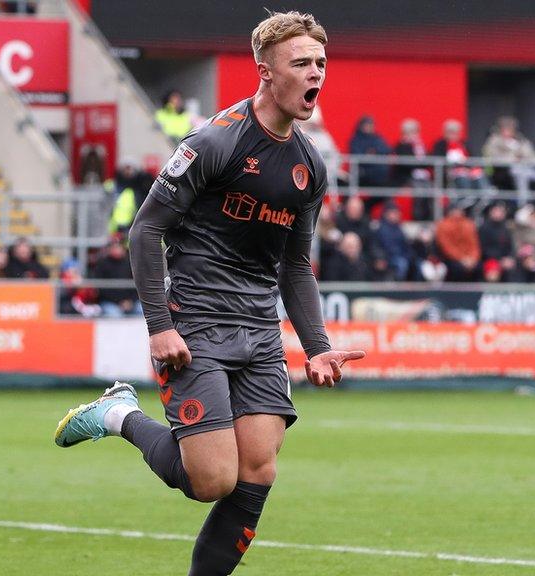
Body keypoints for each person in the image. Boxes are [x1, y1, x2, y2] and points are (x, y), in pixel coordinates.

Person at [53, 12, 364, 575]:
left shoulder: (310, 168)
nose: (316, 73)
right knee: (211, 480)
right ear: (266, 71)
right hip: (194, 321)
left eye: (320, 63)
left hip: (259, 333)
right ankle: (118, 413)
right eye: (302, 63)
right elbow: (145, 230)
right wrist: (159, 326)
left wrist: (316, 345)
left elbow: (295, 265)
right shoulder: (215, 142)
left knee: (258, 472)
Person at [482, 116, 535, 205]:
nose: (509, 130)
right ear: (500, 129)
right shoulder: (494, 141)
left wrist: (533, 162)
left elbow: (533, 156)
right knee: (520, 172)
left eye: (511, 128)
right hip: (506, 171)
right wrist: (513, 158)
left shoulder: (521, 140)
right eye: (506, 128)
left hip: (528, 167)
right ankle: (523, 202)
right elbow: (493, 157)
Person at [89, 237, 141, 317]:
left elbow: (139, 285)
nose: (116, 249)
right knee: (115, 314)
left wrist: (130, 301)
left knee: (140, 310)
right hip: (109, 302)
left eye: (118, 246)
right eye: (113, 246)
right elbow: (100, 288)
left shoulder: (131, 263)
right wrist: (119, 302)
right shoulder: (102, 264)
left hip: (130, 302)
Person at [435, 203, 481, 282]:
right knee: (457, 269)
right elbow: (447, 247)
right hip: (452, 259)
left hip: (469, 259)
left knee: (479, 267)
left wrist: (473, 258)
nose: (457, 213)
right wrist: (462, 259)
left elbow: (474, 245)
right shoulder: (443, 225)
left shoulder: (469, 224)